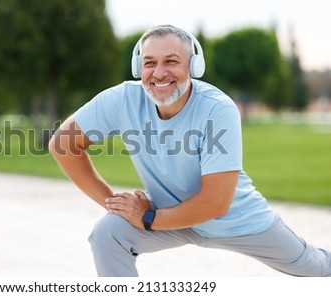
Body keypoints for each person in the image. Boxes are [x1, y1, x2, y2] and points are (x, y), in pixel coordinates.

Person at [48, 24, 331, 277]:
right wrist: (117, 206)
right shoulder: (122, 99)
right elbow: (63, 144)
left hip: (236, 221)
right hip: (167, 217)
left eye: (171, 61)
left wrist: (148, 218)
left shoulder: (216, 108)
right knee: (108, 234)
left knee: (313, 266)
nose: (159, 72)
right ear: (138, 68)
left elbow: (216, 202)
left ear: (193, 67)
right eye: (149, 63)